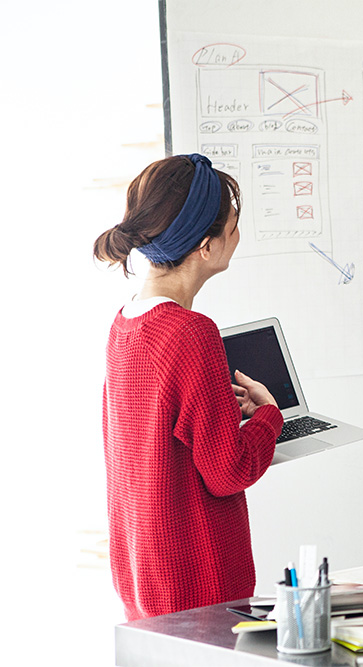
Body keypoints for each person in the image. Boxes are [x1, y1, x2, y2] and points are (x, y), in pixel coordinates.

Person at [94, 154, 284, 620]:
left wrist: (221, 411)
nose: (237, 236)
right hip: (198, 579)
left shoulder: (125, 325)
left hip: (144, 571)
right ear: (205, 246)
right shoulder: (191, 332)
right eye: (234, 226)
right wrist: (268, 417)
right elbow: (228, 470)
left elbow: (159, 446)